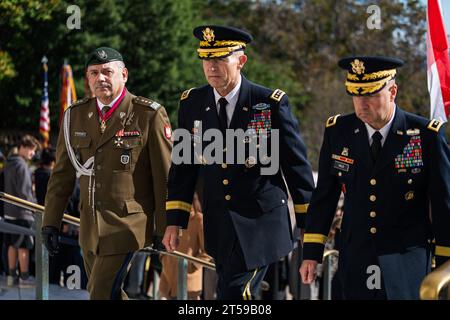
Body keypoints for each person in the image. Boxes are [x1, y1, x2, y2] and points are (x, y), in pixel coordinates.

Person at [163, 25, 315, 300]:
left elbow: (296, 167)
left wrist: (309, 225)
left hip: (261, 225)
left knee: (235, 294)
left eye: (220, 59)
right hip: (219, 225)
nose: (211, 66)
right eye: (206, 59)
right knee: (231, 293)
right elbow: (183, 168)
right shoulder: (192, 102)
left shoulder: (269, 103)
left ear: (241, 61)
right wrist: (175, 221)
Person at [300, 56, 450, 300]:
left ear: (392, 91)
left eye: (370, 95)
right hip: (355, 257)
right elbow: (325, 196)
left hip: (405, 260)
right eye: (356, 95)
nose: (362, 104)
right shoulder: (339, 131)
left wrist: (445, 263)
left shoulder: (425, 135)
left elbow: (444, 203)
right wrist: (312, 252)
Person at [42, 47, 172, 299]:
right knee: (109, 294)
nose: (100, 78)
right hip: (90, 228)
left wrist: (163, 227)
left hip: (127, 225)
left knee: (100, 293)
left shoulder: (148, 114)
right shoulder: (75, 115)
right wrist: (50, 221)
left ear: (123, 75)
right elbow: (61, 177)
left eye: (107, 72)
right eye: (94, 73)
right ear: (87, 79)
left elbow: (164, 177)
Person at [3, 134, 41, 287]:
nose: (33, 154)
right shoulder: (21, 165)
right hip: (22, 212)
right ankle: (24, 278)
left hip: (8, 211)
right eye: (32, 150)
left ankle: (12, 277)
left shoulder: (8, 163)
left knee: (12, 245)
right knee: (23, 246)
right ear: (24, 147)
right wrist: (35, 206)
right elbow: (25, 192)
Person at [159, 192, 211, 300]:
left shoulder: (199, 219)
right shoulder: (171, 219)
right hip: (167, 280)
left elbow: (208, 250)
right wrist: (163, 258)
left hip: (188, 283)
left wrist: (192, 265)